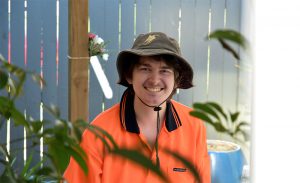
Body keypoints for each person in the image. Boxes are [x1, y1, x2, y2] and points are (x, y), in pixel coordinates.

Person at [64, 32, 211, 183]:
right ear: (129, 75)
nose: (154, 80)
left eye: (164, 71)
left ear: (176, 79)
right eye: (145, 69)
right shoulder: (99, 133)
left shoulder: (194, 125)